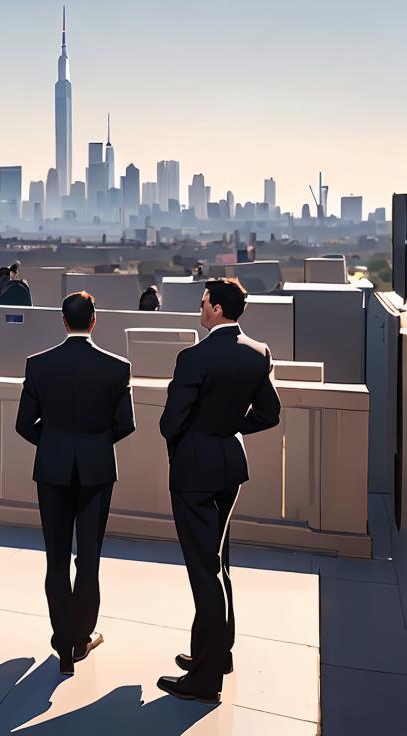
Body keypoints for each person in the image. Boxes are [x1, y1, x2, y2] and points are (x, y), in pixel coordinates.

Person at [156, 277, 281, 704]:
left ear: (215, 309)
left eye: (203, 301)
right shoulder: (258, 352)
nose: (200, 307)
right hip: (231, 464)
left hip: (195, 470)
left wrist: (191, 442)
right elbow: (269, 413)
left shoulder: (194, 356)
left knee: (204, 570)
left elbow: (170, 422)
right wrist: (230, 428)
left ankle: (206, 680)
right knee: (219, 563)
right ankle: (216, 654)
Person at [15, 291, 135, 675]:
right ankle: (82, 638)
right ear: (94, 321)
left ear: (64, 322)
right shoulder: (117, 367)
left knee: (55, 559)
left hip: (52, 470)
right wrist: (94, 446)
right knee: (89, 557)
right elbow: (125, 424)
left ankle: (62, 642)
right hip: (97, 471)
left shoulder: (38, 365)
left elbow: (23, 424)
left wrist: (53, 445)